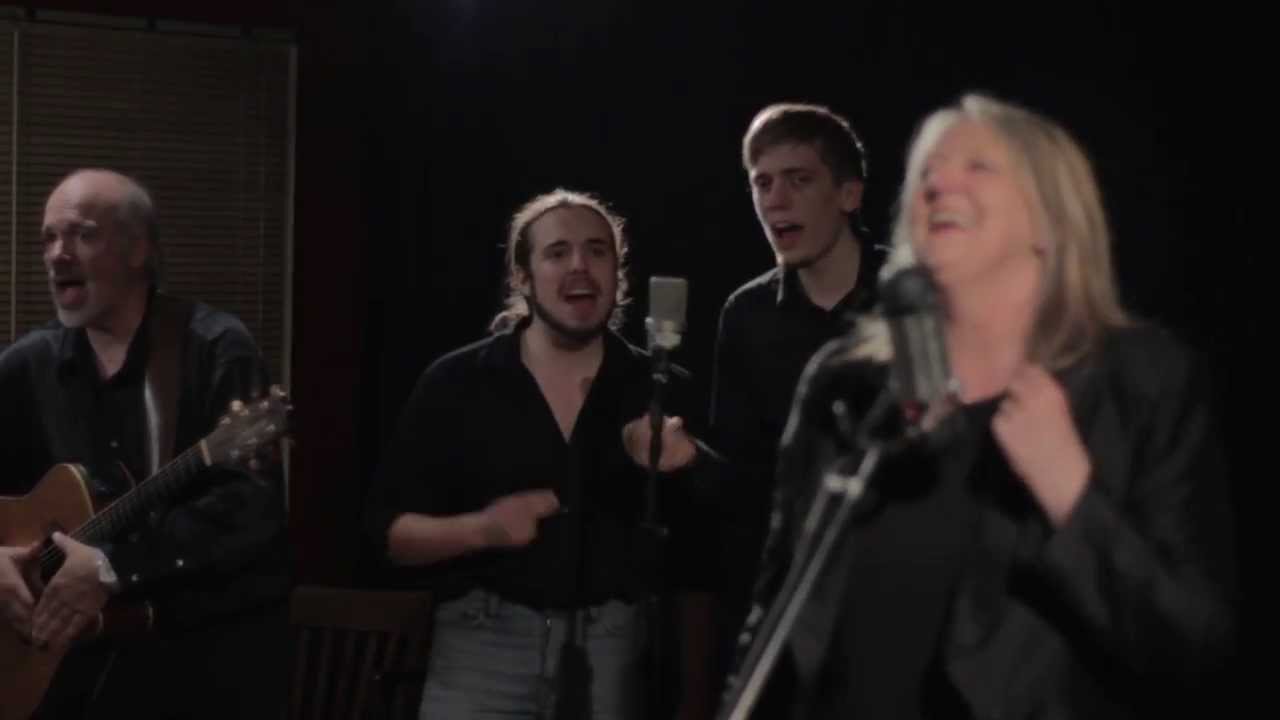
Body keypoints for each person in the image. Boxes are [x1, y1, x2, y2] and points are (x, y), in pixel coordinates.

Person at [727, 94, 1237, 718]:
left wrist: (1071, 494)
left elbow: (1194, 649)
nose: (940, 184)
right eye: (928, 173)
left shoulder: (1139, 380)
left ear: (1050, 216)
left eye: (978, 166)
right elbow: (776, 618)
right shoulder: (847, 385)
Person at [363, 189, 705, 719]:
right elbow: (388, 535)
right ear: (522, 278)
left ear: (618, 275)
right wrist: (483, 529)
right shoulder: (456, 383)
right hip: (481, 650)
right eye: (557, 252)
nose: (579, 266)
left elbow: (710, 553)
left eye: (596, 251)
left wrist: (687, 463)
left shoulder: (658, 389)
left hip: (614, 653)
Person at [0, 168, 290, 718]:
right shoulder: (26, 366)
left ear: (139, 250)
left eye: (83, 234)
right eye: (49, 238)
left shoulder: (214, 347)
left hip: (203, 663)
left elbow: (252, 508)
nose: (58, 254)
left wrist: (114, 566)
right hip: (67, 675)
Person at [703, 102, 880, 705]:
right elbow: (742, 478)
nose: (775, 200)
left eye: (798, 180)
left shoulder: (913, 301)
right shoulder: (745, 316)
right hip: (788, 608)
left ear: (848, 194)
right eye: (762, 183)